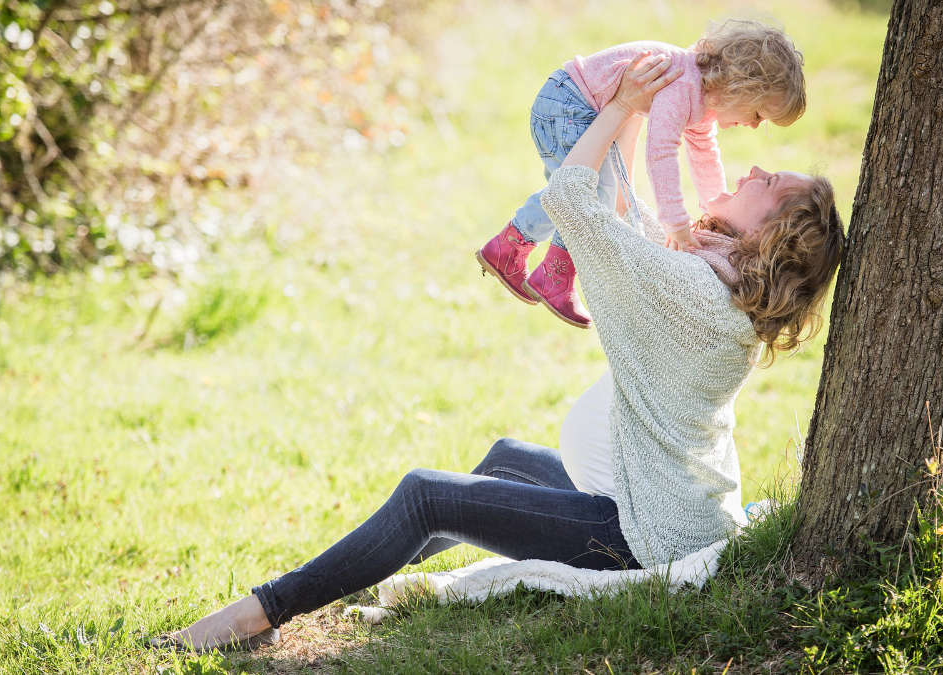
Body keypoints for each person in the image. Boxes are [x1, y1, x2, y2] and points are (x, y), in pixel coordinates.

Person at [153, 53, 844, 653]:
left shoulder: (693, 291)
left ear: (773, 235)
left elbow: (574, 201)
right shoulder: (717, 286)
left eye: (772, 183)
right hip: (659, 502)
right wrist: (633, 113)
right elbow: (627, 219)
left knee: (428, 494)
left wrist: (625, 108)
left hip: (641, 534)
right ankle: (348, 575)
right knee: (504, 459)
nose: (754, 167)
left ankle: (259, 612)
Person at [476, 18, 806, 328]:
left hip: (575, 104)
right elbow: (660, 152)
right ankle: (552, 272)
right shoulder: (684, 86)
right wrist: (675, 222)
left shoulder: (703, 100)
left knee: (583, 190)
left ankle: (511, 248)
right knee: (585, 191)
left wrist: (714, 208)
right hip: (567, 105)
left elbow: (705, 156)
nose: (752, 125)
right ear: (740, 87)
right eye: (758, 114)